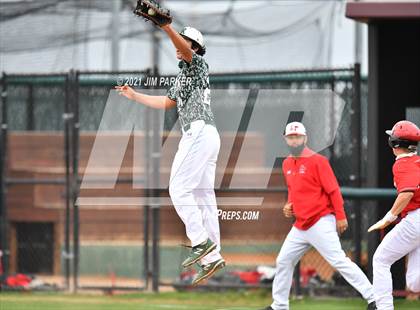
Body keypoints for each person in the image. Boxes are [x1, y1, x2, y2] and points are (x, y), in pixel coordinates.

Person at [115, 24, 225, 285]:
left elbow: (184, 49)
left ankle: (201, 242)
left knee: (178, 189)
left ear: (195, 48)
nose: (182, 45)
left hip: (198, 133)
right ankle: (213, 256)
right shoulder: (182, 77)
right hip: (207, 135)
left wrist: (166, 26)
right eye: (182, 40)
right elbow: (166, 103)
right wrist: (134, 96)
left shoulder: (197, 64)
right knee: (203, 196)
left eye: (187, 42)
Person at [262, 122, 376, 310]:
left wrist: (341, 216)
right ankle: (279, 306)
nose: (294, 139)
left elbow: (333, 191)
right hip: (300, 226)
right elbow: (293, 190)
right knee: (283, 260)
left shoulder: (318, 160)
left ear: (305, 138)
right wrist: (288, 206)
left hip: (321, 220)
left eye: (297, 136)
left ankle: (373, 298)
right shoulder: (287, 163)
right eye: (291, 136)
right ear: (286, 139)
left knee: (338, 260)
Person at [369, 120, 420, 310]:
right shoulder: (417, 161)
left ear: (395, 143)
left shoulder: (402, 164)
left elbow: (407, 193)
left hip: (415, 219)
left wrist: (388, 218)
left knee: (380, 259)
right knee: (414, 283)